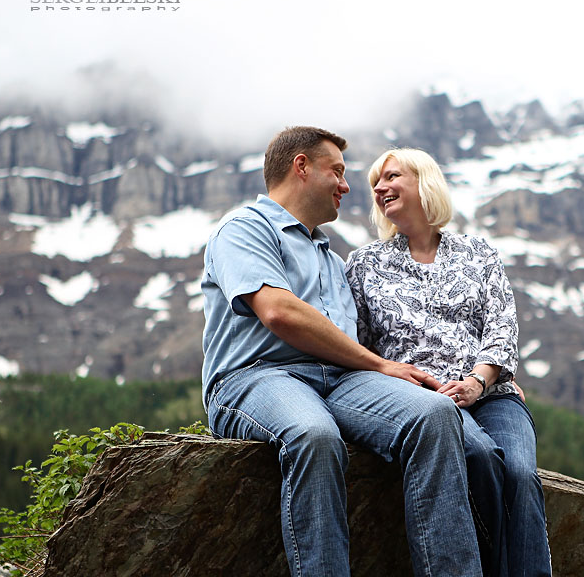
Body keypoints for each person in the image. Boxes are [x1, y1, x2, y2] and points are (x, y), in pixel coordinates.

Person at [200, 127, 484, 577]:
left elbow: (372, 338)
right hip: (255, 376)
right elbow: (279, 312)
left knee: (433, 415)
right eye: (337, 171)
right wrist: (380, 365)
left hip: (341, 381)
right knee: (314, 435)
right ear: (301, 167)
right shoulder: (244, 229)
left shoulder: (334, 261)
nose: (348, 187)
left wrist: (493, 373)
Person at [345, 148, 552, 577]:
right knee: (479, 457)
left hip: (492, 394)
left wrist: (479, 380)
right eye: (375, 185)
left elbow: (502, 329)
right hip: (422, 401)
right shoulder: (364, 264)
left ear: (425, 181)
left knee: (520, 475)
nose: (380, 188)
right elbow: (358, 347)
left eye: (391, 177)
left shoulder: (479, 253)